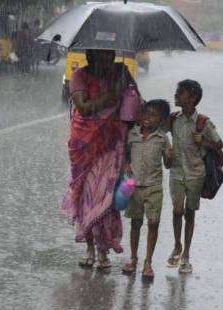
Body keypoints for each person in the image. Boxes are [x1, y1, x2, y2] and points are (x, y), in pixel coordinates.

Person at [60, 49, 139, 269]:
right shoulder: (80, 76)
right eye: (102, 55)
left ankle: (103, 250)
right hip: (84, 145)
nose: (108, 59)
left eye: (111, 55)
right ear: (91, 56)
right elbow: (84, 108)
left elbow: (134, 103)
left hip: (112, 144)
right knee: (86, 195)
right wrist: (112, 93)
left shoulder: (120, 72)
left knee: (105, 196)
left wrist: (126, 89)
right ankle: (89, 248)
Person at [166, 79, 223, 274]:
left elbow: (219, 144)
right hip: (176, 173)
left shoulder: (203, 122)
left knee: (190, 213)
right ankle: (177, 245)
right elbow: (155, 127)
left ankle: (186, 255)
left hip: (196, 174)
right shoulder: (173, 119)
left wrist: (204, 142)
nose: (176, 96)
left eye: (180, 93)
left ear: (192, 98)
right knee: (177, 210)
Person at [122, 100, 172, 279]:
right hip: (134, 186)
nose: (147, 119)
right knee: (135, 223)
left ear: (161, 120)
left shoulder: (162, 138)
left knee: (153, 223)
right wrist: (127, 164)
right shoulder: (132, 134)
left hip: (153, 187)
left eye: (153, 116)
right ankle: (133, 258)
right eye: (145, 114)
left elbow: (167, 165)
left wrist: (168, 157)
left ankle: (148, 261)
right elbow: (126, 153)